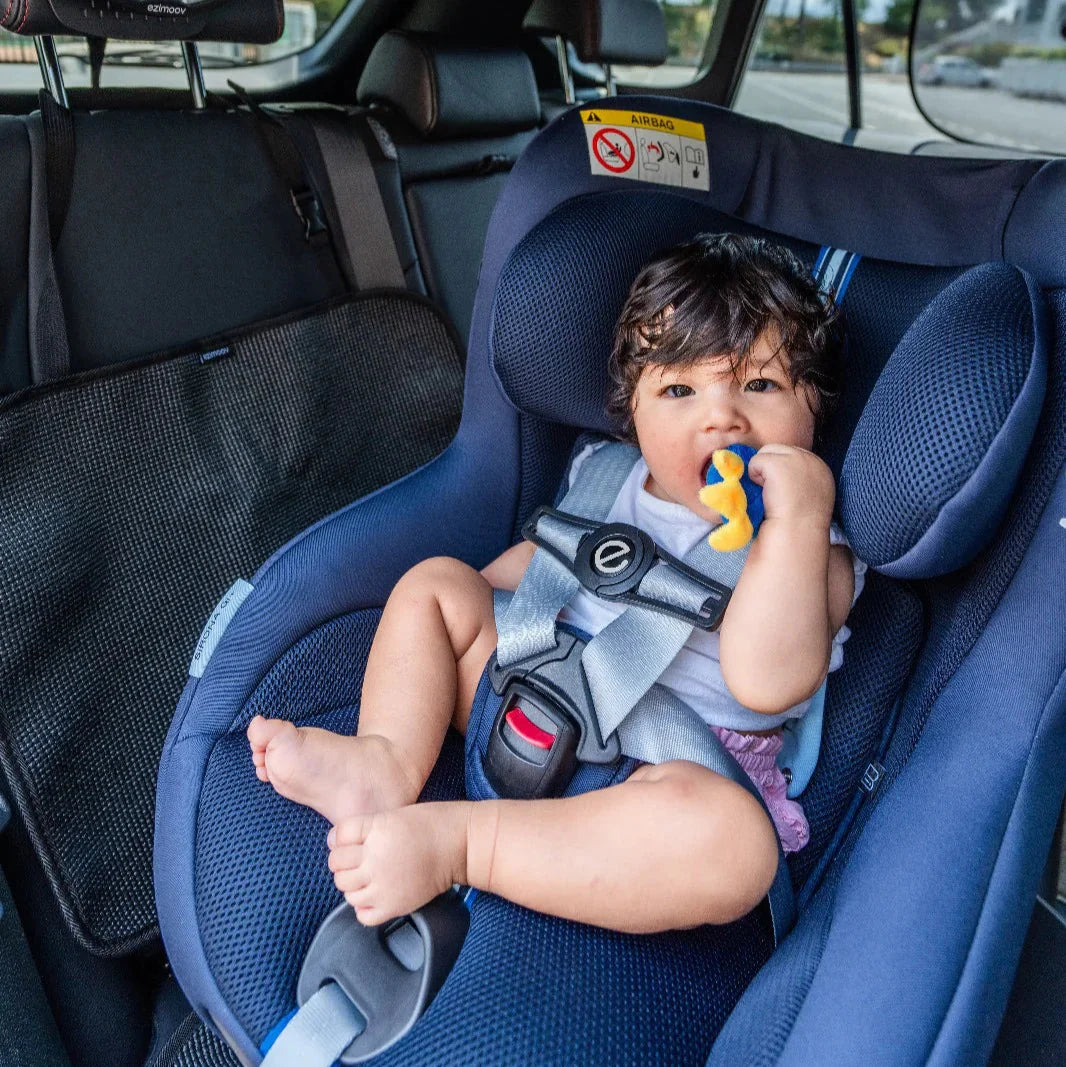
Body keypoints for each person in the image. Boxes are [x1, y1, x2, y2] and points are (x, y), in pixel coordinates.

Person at [247, 233, 865, 934]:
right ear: (633, 408)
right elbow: (538, 573)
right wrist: (462, 632)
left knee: (737, 848)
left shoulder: (813, 549)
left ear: (814, 403)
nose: (721, 417)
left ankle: (466, 844)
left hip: (655, 771)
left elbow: (765, 680)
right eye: (679, 389)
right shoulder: (607, 475)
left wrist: (795, 520)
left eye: (760, 384)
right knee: (436, 585)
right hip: (533, 689)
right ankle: (383, 764)